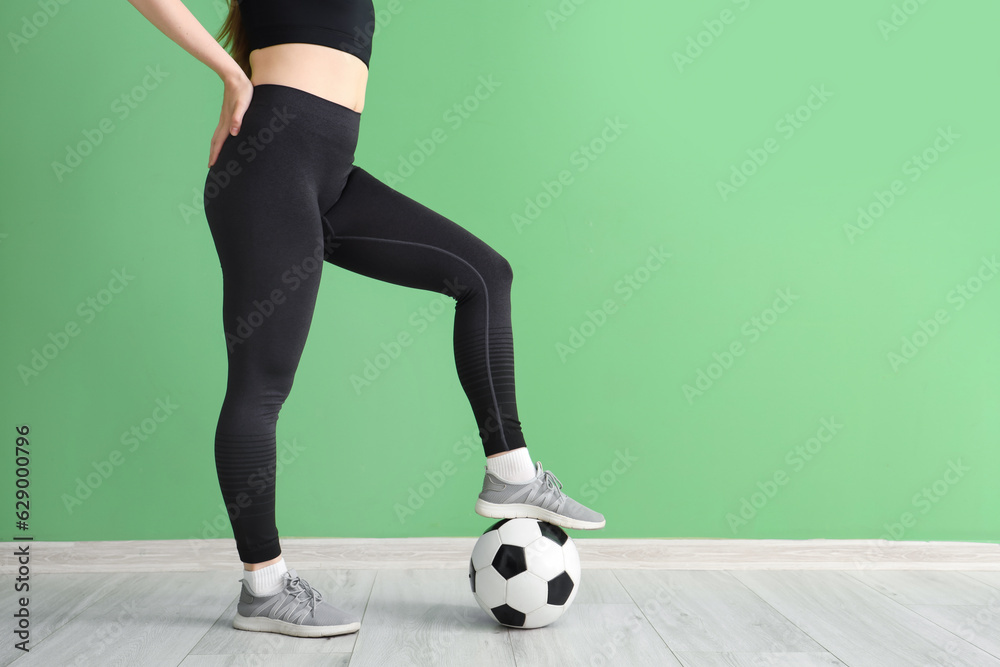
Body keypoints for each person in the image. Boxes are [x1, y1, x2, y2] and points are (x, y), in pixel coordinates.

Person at [126, 0, 605, 638]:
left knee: (484, 276)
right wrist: (230, 73)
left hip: (326, 171)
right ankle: (263, 586)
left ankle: (511, 471)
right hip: (268, 166)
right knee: (261, 385)